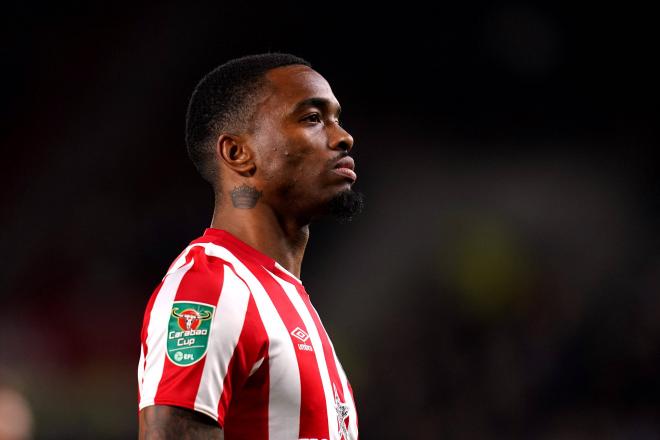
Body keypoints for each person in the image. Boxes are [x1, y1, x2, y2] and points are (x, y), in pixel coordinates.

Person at [137, 53, 363, 440]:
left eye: (336, 119)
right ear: (238, 154)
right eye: (312, 118)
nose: (343, 137)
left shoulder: (283, 298)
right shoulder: (211, 288)